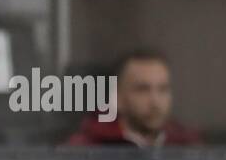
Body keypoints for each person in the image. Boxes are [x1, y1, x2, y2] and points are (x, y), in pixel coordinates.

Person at [64, 49, 200, 148]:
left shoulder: (188, 147)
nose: (155, 101)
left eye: (163, 89)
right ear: (117, 97)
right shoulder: (87, 149)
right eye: (142, 89)